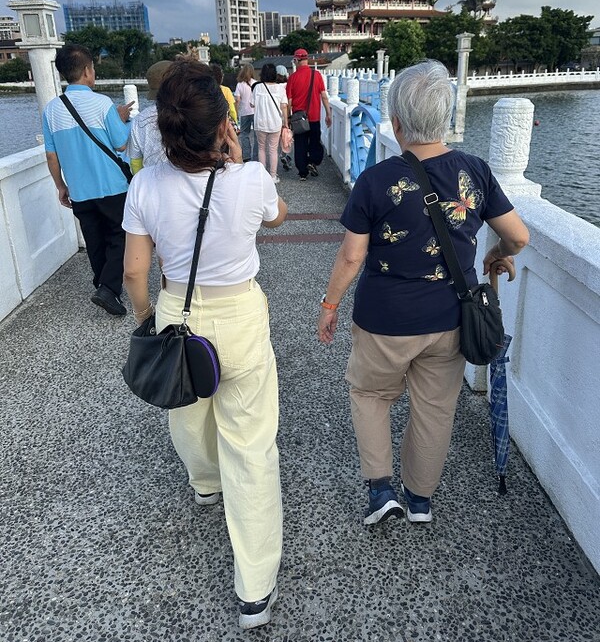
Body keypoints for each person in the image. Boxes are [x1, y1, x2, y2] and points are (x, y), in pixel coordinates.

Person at [317, 59, 529, 526]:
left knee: (371, 394)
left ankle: (380, 490)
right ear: (446, 118)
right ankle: (419, 500)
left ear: (395, 123)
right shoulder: (475, 171)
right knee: (434, 409)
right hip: (450, 318)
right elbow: (518, 236)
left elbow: (351, 257)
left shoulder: (376, 180)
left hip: (384, 319)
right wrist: (498, 253)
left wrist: (330, 304)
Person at [122, 60, 287, 630]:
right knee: (251, 443)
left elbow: (134, 271)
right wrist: (237, 163)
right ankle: (254, 588)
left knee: (188, 408)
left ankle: (205, 483)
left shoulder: (145, 185)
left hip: (178, 310)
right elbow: (277, 218)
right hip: (239, 314)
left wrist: (146, 317)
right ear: (222, 125)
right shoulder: (251, 178)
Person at [42, 43, 133, 316]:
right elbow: (120, 143)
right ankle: (108, 288)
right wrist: (121, 119)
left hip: (80, 190)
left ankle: (104, 287)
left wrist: (60, 186)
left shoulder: (51, 110)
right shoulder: (103, 103)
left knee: (94, 239)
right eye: (92, 68)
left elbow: (51, 155)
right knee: (120, 235)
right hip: (111, 186)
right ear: (86, 71)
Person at [286, 48, 331, 181]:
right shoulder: (316, 75)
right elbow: (324, 96)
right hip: (314, 116)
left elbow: (289, 101)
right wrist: (328, 114)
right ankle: (312, 161)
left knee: (300, 144)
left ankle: (302, 173)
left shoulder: (292, 78)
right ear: (307, 59)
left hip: (299, 118)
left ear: (297, 60)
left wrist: (288, 117)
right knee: (315, 142)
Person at [127, 60, 171, 173]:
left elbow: (135, 162)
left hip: (151, 179)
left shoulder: (140, 119)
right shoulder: (192, 112)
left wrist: (140, 179)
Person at [251, 63, 289, 184]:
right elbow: (284, 106)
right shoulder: (280, 88)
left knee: (261, 149)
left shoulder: (257, 87)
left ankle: (263, 176)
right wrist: (286, 123)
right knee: (273, 150)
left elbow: (252, 104)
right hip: (275, 123)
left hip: (260, 123)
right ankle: (273, 176)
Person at [234, 63, 257, 161]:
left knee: (244, 134)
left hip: (244, 112)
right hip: (255, 112)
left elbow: (237, 100)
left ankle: (246, 155)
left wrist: (236, 112)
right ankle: (256, 156)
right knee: (256, 135)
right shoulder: (256, 83)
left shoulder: (239, 84)